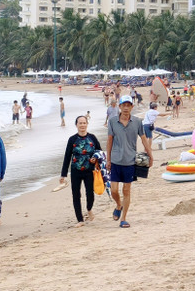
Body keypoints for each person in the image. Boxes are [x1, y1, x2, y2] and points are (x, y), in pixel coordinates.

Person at [106, 95, 153, 228]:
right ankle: (118, 205)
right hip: (115, 160)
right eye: (124, 105)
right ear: (120, 107)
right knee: (114, 190)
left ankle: (123, 219)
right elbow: (109, 141)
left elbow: (144, 139)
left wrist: (151, 155)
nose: (126, 108)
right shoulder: (113, 121)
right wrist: (108, 159)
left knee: (126, 190)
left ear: (132, 107)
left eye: (128, 105)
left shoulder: (138, 122)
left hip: (130, 161)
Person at [60, 115, 102, 226]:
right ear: (76, 125)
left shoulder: (92, 137)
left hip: (89, 171)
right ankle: (80, 220)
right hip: (75, 171)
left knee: (90, 193)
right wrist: (63, 174)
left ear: (87, 124)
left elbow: (99, 152)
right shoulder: (72, 139)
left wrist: (95, 158)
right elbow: (67, 156)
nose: (82, 125)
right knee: (76, 195)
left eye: (84, 123)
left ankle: (89, 209)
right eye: (80, 123)